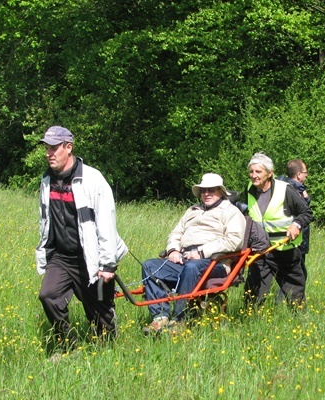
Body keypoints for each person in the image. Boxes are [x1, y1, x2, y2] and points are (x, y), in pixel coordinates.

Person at [36, 126, 128, 350]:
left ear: (69, 147)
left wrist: (108, 263)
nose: (49, 153)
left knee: (101, 321)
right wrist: (45, 254)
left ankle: (107, 342)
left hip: (91, 258)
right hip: (61, 257)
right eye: (47, 148)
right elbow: (44, 221)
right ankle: (67, 345)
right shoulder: (47, 180)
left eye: (54, 148)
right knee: (48, 296)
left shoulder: (92, 179)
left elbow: (106, 222)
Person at [141, 173, 246, 334]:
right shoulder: (192, 210)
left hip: (214, 262)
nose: (206, 194)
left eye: (211, 190)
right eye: (203, 190)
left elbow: (234, 240)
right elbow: (176, 233)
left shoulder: (231, 212)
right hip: (185, 259)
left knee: (191, 267)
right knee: (149, 266)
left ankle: (179, 320)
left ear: (220, 191)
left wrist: (202, 252)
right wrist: (173, 249)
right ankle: (160, 318)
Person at [244, 153, 313, 306]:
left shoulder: (285, 190)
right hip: (260, 250)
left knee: (295, 296)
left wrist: (296, 225)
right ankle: (251, 323)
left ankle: (300, 324)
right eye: (251, 171)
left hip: (285, 250)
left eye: (258, 172)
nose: (254, 176)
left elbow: (306, 213)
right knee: (253, 294)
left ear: (269, 173)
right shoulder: (249, 189)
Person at [278, 159, 311, 279]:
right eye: (305, 172)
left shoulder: (290, 188)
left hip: (295, 239)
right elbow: (302, 213)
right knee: (295, 275)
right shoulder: (292, 190)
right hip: (293, 239)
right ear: (298, 174)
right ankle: (287, 298)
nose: (306, 175)